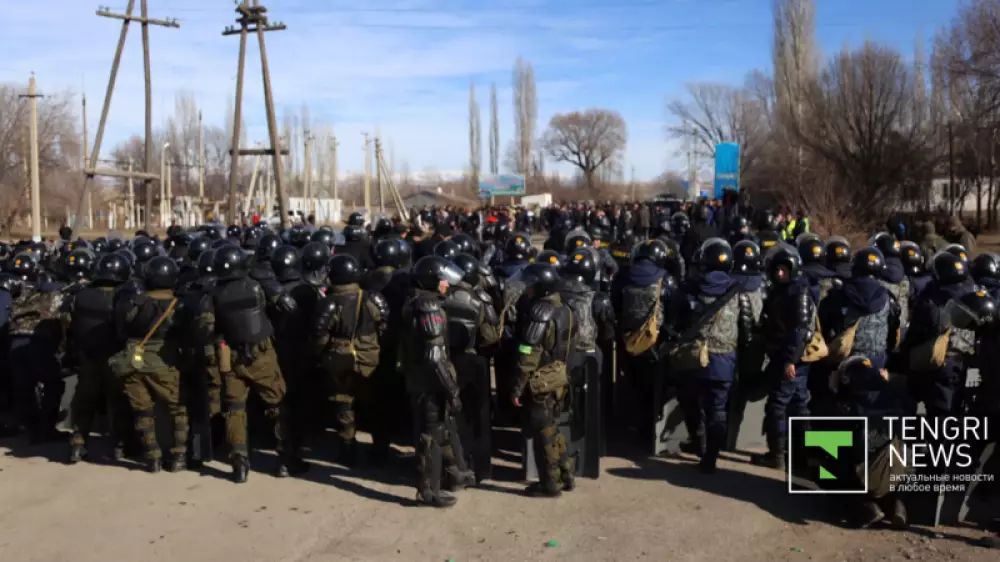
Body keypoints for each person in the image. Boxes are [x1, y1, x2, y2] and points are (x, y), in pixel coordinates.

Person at [196, 245, 293, 482]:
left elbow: (204, 329)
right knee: (277, 403)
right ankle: (286, 459)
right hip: (261, 353)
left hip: (230, 356)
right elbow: (287, 308)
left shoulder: (212, 294)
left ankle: (238, 462)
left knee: (235, 409)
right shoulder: (257, 284)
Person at [399, 256, 466, 507]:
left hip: (423, 380)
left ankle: (451, 474)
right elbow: (435, 357)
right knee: (430, 438)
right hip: (429, 384)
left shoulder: (417, 301)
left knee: (439, 431)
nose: (446, 285)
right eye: (443, 281)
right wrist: (451, 390)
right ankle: (428, 492)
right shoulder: (429, 307)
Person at [112, 256, 188, 473]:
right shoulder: (178, 304)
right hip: (165, 362)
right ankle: (178, 455)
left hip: (133, 363)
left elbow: (120, 329)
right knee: (178, 410)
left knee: (142, 410)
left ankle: (152, 457)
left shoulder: (134, 302)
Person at [312, 255, 387, 466]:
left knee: (343, 403)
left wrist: (320, 354)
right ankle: (381, 449)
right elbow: (384, 326)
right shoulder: (373, 298)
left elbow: (320, 335)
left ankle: (348, 449)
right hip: (370, 359)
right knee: (373, 403)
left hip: (340, 359)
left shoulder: (329, 303)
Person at [511, 262, 577, 496]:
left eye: (531, 285)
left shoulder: (540, 313)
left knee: (543, 435)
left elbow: (528, 354)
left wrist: (517, 387)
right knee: (553, 428)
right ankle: (566, 474)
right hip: (560, 377)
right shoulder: (566, 308)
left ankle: (549, 484)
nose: (527, 289)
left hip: (540, 382)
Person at [753, 246, 817, 469]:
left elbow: (800, 330)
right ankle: (807, 454)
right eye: (777, 270)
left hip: (789, 357)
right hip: (791, 356)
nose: (780, 274)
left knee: (777, 406)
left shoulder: (798, 292)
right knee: (800, 405)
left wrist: (790, 360)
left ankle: (777, 455)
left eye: (784, 270)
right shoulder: (784, 290)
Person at [63, 253, 131, 463]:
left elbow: (68, 324)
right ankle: (120, 445)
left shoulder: (80, 295)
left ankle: (77, 444)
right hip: (116, 358)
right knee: (119, 402)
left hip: (89, 357)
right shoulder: (124, 296)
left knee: (85, 402)